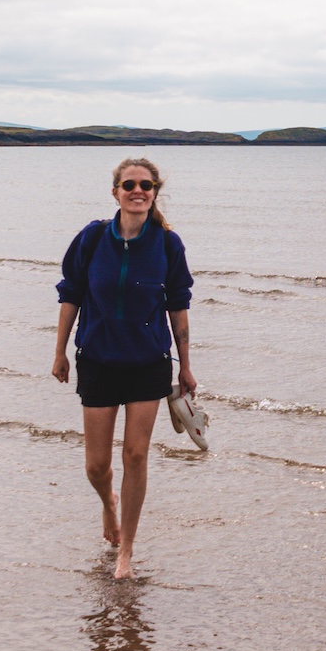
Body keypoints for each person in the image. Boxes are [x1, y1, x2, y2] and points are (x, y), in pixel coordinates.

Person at [52, 157, 197, 579]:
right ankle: (107, 503)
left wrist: (185, 366)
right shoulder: (92, 238)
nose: (138, 191)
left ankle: (126, 553)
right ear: (115, 191)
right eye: (130, 184)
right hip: (97, 361)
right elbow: (70, 294)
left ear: (155, 192)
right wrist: (59, 351)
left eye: (146, 185)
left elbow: (179, 306)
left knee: (136, 455)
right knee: (95, 466)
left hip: (147, 364)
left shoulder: (168, 244)